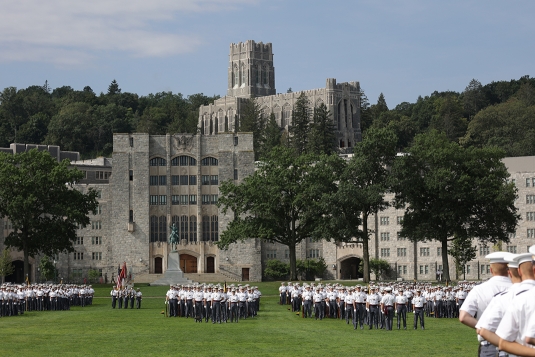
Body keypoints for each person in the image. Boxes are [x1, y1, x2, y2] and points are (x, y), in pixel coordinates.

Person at [459, 252, 512, 357]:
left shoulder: (480, 289)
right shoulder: (518, 288)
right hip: (514, 345)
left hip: (488, 344)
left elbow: (464, 317)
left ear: (491, 270)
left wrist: (483, 328)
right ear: (509, 270)